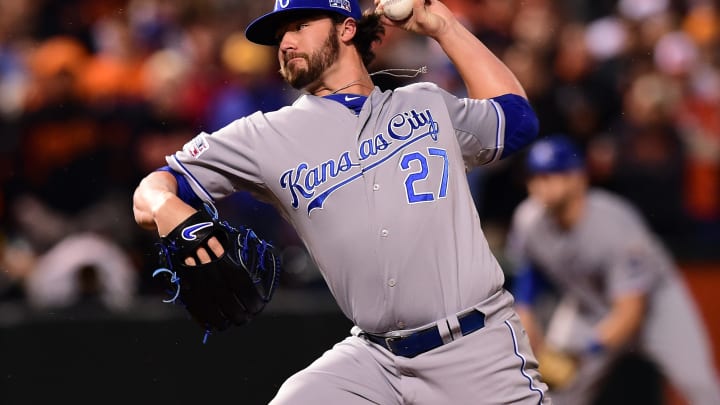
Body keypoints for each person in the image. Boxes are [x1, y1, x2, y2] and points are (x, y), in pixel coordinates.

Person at [133, 0, 549, 403]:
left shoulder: (426, 103)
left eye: (298, 26)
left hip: (475, 349)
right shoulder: (264, 136)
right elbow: (153, 189)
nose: (285, 43)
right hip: (375, 362)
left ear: (346, 28)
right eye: (280, 34)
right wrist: (169, 210)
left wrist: (446, 29)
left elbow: (516, 120)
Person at [506, 134, 720, 405]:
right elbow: (528, 275)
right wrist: (526, 318)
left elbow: (631, 309)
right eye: (535, 176)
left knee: (699, 384)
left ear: (578, 178)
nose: (540, 185)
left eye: (552, 175)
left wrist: (584, 350)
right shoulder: (528, 219)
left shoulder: (613, 224)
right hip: (589, 306)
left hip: (656, 306)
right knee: (555, 391)